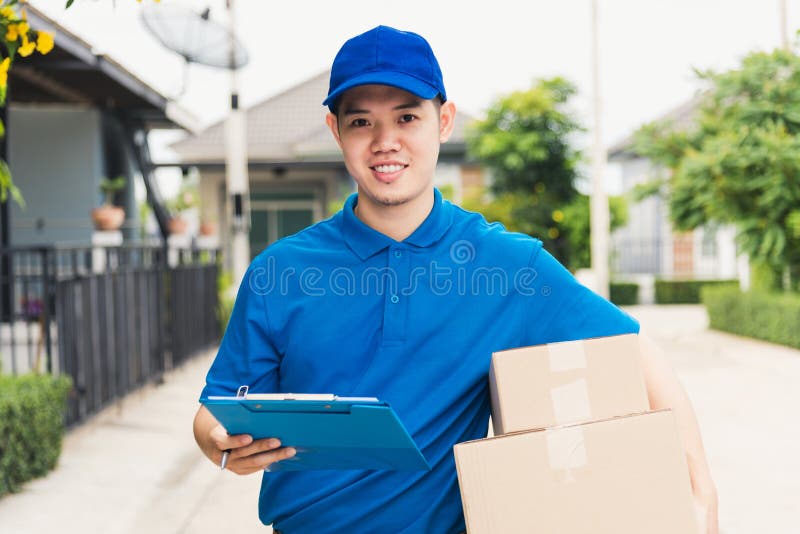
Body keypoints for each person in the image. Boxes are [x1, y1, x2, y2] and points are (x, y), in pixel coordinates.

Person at [193, 25, 719, 534]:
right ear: (336, 130)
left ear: (443, 121)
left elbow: (637, 352)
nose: (385, 141)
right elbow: (213, 411)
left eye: (406, 117)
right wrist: (222, 446)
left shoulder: (506, 266)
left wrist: (701, 497)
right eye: (361, 123)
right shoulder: (279, 272)